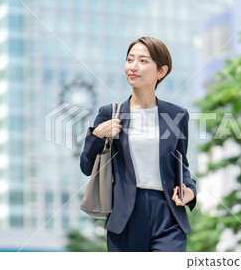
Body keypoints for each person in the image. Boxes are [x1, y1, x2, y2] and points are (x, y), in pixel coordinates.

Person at [80, 36, 196, 252]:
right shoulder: (110, 114)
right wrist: (96, 135)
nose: (133, 67)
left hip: (168, 215)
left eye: (143, 61)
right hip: (126, 215)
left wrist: (189, 189)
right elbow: (87, 167)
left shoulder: (177, 115)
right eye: (130, 59)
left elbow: (181, 165)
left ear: (161, 71)